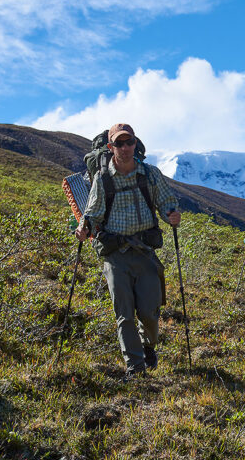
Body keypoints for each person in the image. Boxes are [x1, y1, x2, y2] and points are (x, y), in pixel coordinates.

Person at [75, 123, 181, 379]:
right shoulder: (103, 178)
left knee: (150, 313)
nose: (125, 148)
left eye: (129, 142)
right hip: (115, 255)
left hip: (145, 251)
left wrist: (172, 215)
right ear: (110, 148)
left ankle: (148, 346)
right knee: (124, 314)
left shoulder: (150, 174)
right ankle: (135, 367)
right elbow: (93, 211)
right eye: (119, 144)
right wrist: (84, 227)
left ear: (136, 144)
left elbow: (166, 201)